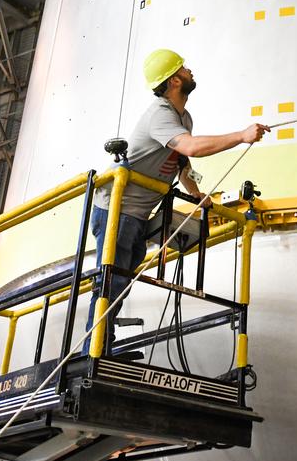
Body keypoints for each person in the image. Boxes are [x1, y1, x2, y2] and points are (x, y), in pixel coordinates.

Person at [85, 48, 269, 356]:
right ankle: (94, 349)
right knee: (111, 281)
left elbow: (181, 162)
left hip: (137, 213)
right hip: (116, 208)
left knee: (121, 281)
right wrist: (241, 135)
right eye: (184, 69)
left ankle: (102, 344)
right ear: (173, 81)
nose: (190, 72)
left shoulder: (183, 117)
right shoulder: (160, 113)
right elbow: (191, 148)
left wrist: (196, 193)